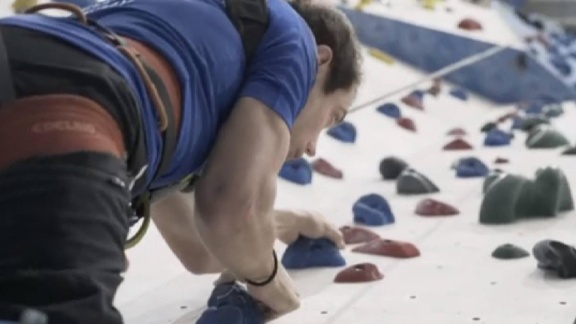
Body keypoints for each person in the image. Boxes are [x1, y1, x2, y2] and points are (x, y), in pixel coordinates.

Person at [0, 0, 362, 322]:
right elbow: (228, 210)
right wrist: (267, 278)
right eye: (332, 116)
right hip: (77, 104)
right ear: (320, 61)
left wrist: (285, 224)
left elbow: (199, 249)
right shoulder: (297, 42)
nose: (313, 147)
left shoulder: (194, 54)